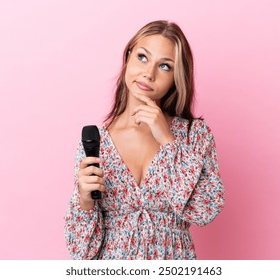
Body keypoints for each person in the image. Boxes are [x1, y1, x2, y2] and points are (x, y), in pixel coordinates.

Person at [64, 20, 225, 260]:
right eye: (142, 57)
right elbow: (81, 252)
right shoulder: (96, 142)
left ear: (176, 77)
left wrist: (168, 141)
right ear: (128, 56)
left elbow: (205, 211)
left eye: (165, 66)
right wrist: (85, 201)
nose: (149, 73)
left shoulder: (194, 135)